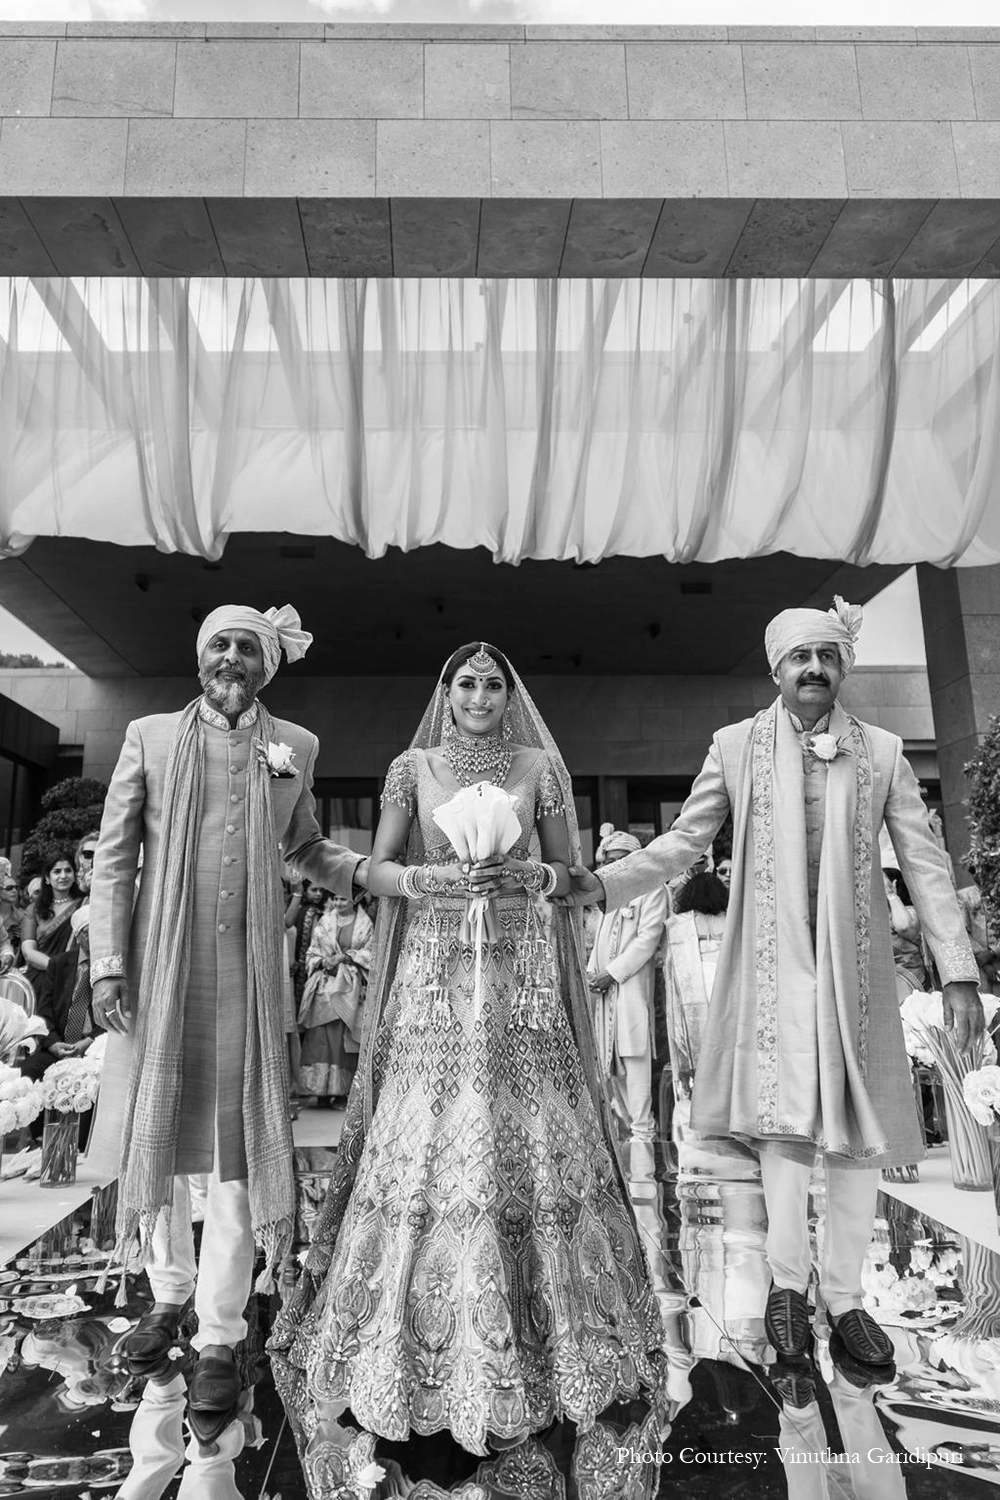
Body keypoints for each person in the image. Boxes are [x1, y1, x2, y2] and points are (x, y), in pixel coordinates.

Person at [564, 598, 982, 1377]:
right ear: (776, 669)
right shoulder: (735, 746)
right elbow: (686, 840)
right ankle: (789, 1287)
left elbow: (926, 865)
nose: (814, 669)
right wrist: (605, 883)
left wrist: (957, 970)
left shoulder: (885, 750)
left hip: (857, 965)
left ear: (843, 666)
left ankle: (847, 1300)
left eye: (827, 656)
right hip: (772, 961)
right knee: (785, 1125)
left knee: (858, 1128)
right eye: (800, 657)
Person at [269, 641, 665, 1463]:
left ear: (508, 697)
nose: (480, 696)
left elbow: (570, 872)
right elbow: (379, 868)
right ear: (445, 694)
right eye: (466, 684)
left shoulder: (538, 766)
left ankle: (554, 1329)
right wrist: (434, 883)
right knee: (432, 1117)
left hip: (519, 968)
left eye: (492, 685)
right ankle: (412, 1329)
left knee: (526, 1117)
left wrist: (526, 878)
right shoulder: (410, 768)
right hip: (434, 969)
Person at [87, 603, 367, 1450]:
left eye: (248, 646)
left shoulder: (297, 747)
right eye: (221, 643)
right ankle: (166, 1295)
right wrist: (107, 963)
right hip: (159, 971)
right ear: (201, 655)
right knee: (159, 1137)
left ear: (265, 666)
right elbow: (114, 858)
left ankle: (218, 1333)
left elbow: (306, 847)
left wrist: (375, 873)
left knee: (237, 1152)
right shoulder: (148, 737)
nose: (232, 657)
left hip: (247, 974)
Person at [587, 824, 668, 1141]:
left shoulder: (652, 888)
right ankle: (625, 1131)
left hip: (630, 988)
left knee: (634, 1055)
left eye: (620, 860)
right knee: (608, 1061)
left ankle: (643, 1131)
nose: (613, 866)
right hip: (604, 990)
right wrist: (592, 973)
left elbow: (648, 940)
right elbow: (599, 939)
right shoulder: (610, 894)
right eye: (609, 861)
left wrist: (612, 973)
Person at [298, 890, 373, 1107]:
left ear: (354, 900)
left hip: (349, 988)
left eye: (343, 899)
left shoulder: (365, 924)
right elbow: (312, 952)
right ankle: (319, 1091)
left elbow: (371, 953)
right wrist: (323, 962)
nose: (338, 903)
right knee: (319, 1038)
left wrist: (346, 957)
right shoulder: (325, 921)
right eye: (336, 899)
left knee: (342, 1040)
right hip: (325, 986)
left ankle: (340, 1092)